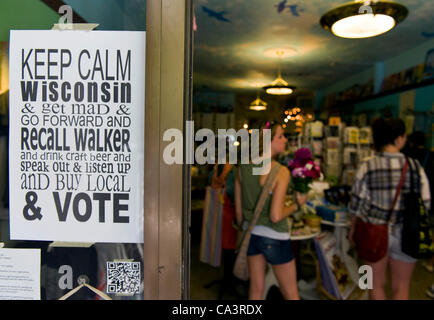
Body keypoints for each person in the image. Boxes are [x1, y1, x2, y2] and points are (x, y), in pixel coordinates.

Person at [349, 117, 431, 300]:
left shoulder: (367, 165)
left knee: (373, 285)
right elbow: (425, 202)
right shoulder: (416, 167)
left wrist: (353, 228)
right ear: (401, 138)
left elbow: (356, 204)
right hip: (407, 234)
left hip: (373, 232)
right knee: (401, 287)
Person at [234, 121, 307, 300]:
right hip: (275, 236)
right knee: (291, 294)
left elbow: (239, 215)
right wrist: (297, 204)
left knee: (256, 291)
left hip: (251, 234)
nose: (285, 140)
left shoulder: (242, 168)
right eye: (280, 136)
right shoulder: (281, 171)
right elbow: (275, 216)